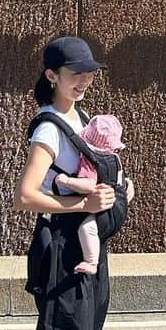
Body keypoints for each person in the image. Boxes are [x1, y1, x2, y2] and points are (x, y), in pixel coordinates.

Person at [14, 35, 136, 330]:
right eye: (74, 74)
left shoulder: (81, 119)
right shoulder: (48, 128)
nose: (83, 81)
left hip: (82, 245)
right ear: (52, 76)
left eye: (88, 73)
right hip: (65, 250)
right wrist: (80, 202)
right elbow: (26, 195)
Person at [53, 114, 128, 276]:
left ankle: (91, 262)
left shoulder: (90, 161)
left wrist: (66, 181)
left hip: (103, 211)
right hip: (119, 208)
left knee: (87, 228)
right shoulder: (115, 157)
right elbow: (122, 181)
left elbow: (87, 185)